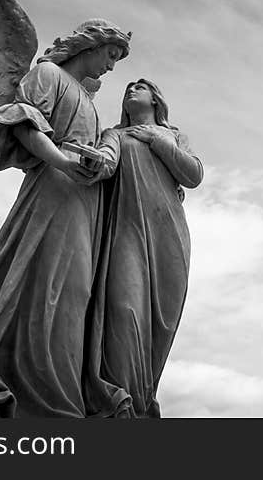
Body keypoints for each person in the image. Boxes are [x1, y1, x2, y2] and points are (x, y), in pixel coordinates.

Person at [0, 19, 131, 418]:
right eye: (111, 55)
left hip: (83, 202)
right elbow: (25, 123)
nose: (111, 67)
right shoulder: (48, 75)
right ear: (91, 45)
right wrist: (63, 161)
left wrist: (97, 165)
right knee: (43, 284)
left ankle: (62, 393)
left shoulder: (89, 101)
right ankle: (31, 395)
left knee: (75, 293)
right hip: (53, 190)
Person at [84, 79, 203, 418]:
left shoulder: (173, 135)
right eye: (128, 88)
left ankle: (143, 399)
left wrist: (156, 140)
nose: (131, 90)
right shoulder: (115, 135)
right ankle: (120, 404)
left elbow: (193, 174)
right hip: (127, 233)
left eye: (140, 87)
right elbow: (107, 160)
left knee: (160, 323)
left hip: (170, 234)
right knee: (124, 311)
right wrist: (94, 161)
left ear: (155, 98)